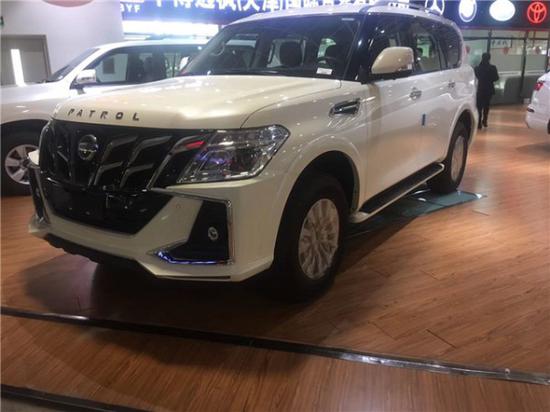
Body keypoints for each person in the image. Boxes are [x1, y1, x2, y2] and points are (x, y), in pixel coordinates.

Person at [474, 53, 499, 129]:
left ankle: (479, 123)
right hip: (489, 89)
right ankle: (485, 120)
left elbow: (477, 77)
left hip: (480, 89)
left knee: (479, 106)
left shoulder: (477, 68)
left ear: (482, 58)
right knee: (486, 106)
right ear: (489, 58)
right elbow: (496, 78)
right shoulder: (493, 68)